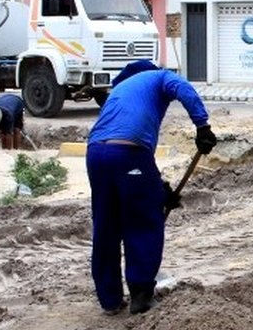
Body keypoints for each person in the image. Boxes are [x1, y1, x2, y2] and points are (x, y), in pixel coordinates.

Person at [86, 59, 217, 316]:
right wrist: (202, 126)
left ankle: (110, 300)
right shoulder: (159, 77)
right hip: (128, 151)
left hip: (95, 155)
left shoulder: (120, 91)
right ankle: (142, 295)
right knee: (144, 221)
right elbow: (184, 88)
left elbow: (132, 163)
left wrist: (157, 190)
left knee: (106, 224)